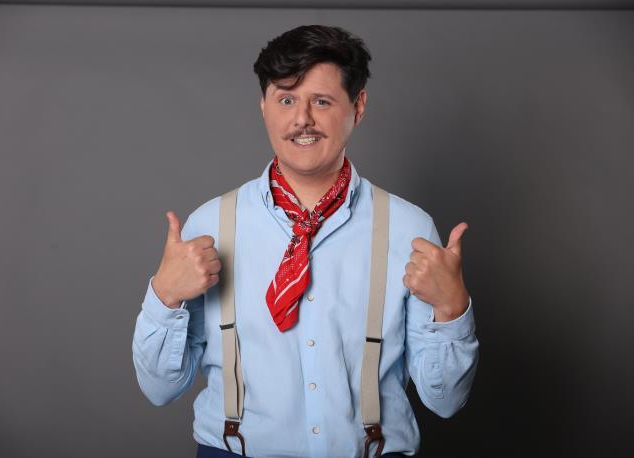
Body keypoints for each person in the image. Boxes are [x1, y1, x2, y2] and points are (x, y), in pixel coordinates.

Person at [132, 25, 479, 458]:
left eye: (321, 101)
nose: (302, 120)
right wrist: (164, 298)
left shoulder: (410, 230)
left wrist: (452, 309)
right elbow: (158, 390)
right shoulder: (209, 226)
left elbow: (446, 402)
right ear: (264, 106)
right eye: (286, 100)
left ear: (358, 106)